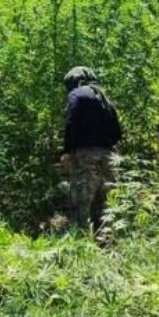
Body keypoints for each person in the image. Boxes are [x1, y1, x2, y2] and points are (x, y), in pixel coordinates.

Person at [61, 67, 121, 233]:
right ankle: (106, 241)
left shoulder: (76, 95)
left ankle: (80, 240)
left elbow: (71, 123)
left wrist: (67, 151)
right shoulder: (104, 98)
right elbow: (117, 131)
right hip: (108, 157)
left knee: (80, 203)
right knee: (106, 203)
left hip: (84, 157)